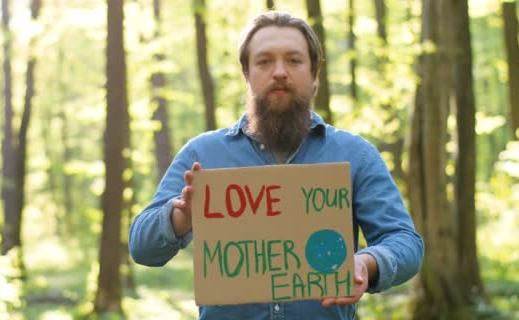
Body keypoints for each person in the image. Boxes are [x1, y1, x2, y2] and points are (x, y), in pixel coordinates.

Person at [129, 11, 424, 320]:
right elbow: (142, 248)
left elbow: (405, 243)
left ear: (314, 73)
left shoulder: (355, 155)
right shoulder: (202, 156)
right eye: (265, 61)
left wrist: (367, 262)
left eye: (294, 61)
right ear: (246, 73)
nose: (280, 72)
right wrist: (180, 216)